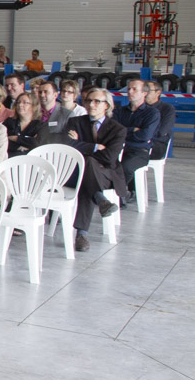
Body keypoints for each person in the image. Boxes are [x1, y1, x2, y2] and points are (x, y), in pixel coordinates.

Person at [65, 88, 128, 252]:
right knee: (88, 169)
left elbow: (109, 157)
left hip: (107, 174)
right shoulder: (76, 122)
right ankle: (100, 200)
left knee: (89, 164)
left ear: (106, 105)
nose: (91, 104)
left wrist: (82, 147)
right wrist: (93, 147)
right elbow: (67, 146)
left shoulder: (118, 129)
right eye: (88, 101)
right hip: (76, 173)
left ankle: (82, 234)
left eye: (96, 101)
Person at [112, 79, 159, 205]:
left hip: (139, 151)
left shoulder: (152, 113)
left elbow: (144, 136)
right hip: (118, 148)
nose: (130, 92)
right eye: (128, 89)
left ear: (144, 93)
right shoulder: (119, 111)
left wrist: (123, 132)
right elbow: (113, 131)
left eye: (134, 89)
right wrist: (133, 130)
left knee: (124, 167)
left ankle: (118, 195)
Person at [145, 81, 175, 161]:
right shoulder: (139, 107)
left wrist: (141, 132)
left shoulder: (167, 109)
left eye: (148, 90)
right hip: (137, 142)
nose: (145, 92)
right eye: (143, 90)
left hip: (156, 145)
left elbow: (161, 132)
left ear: (158, 92)